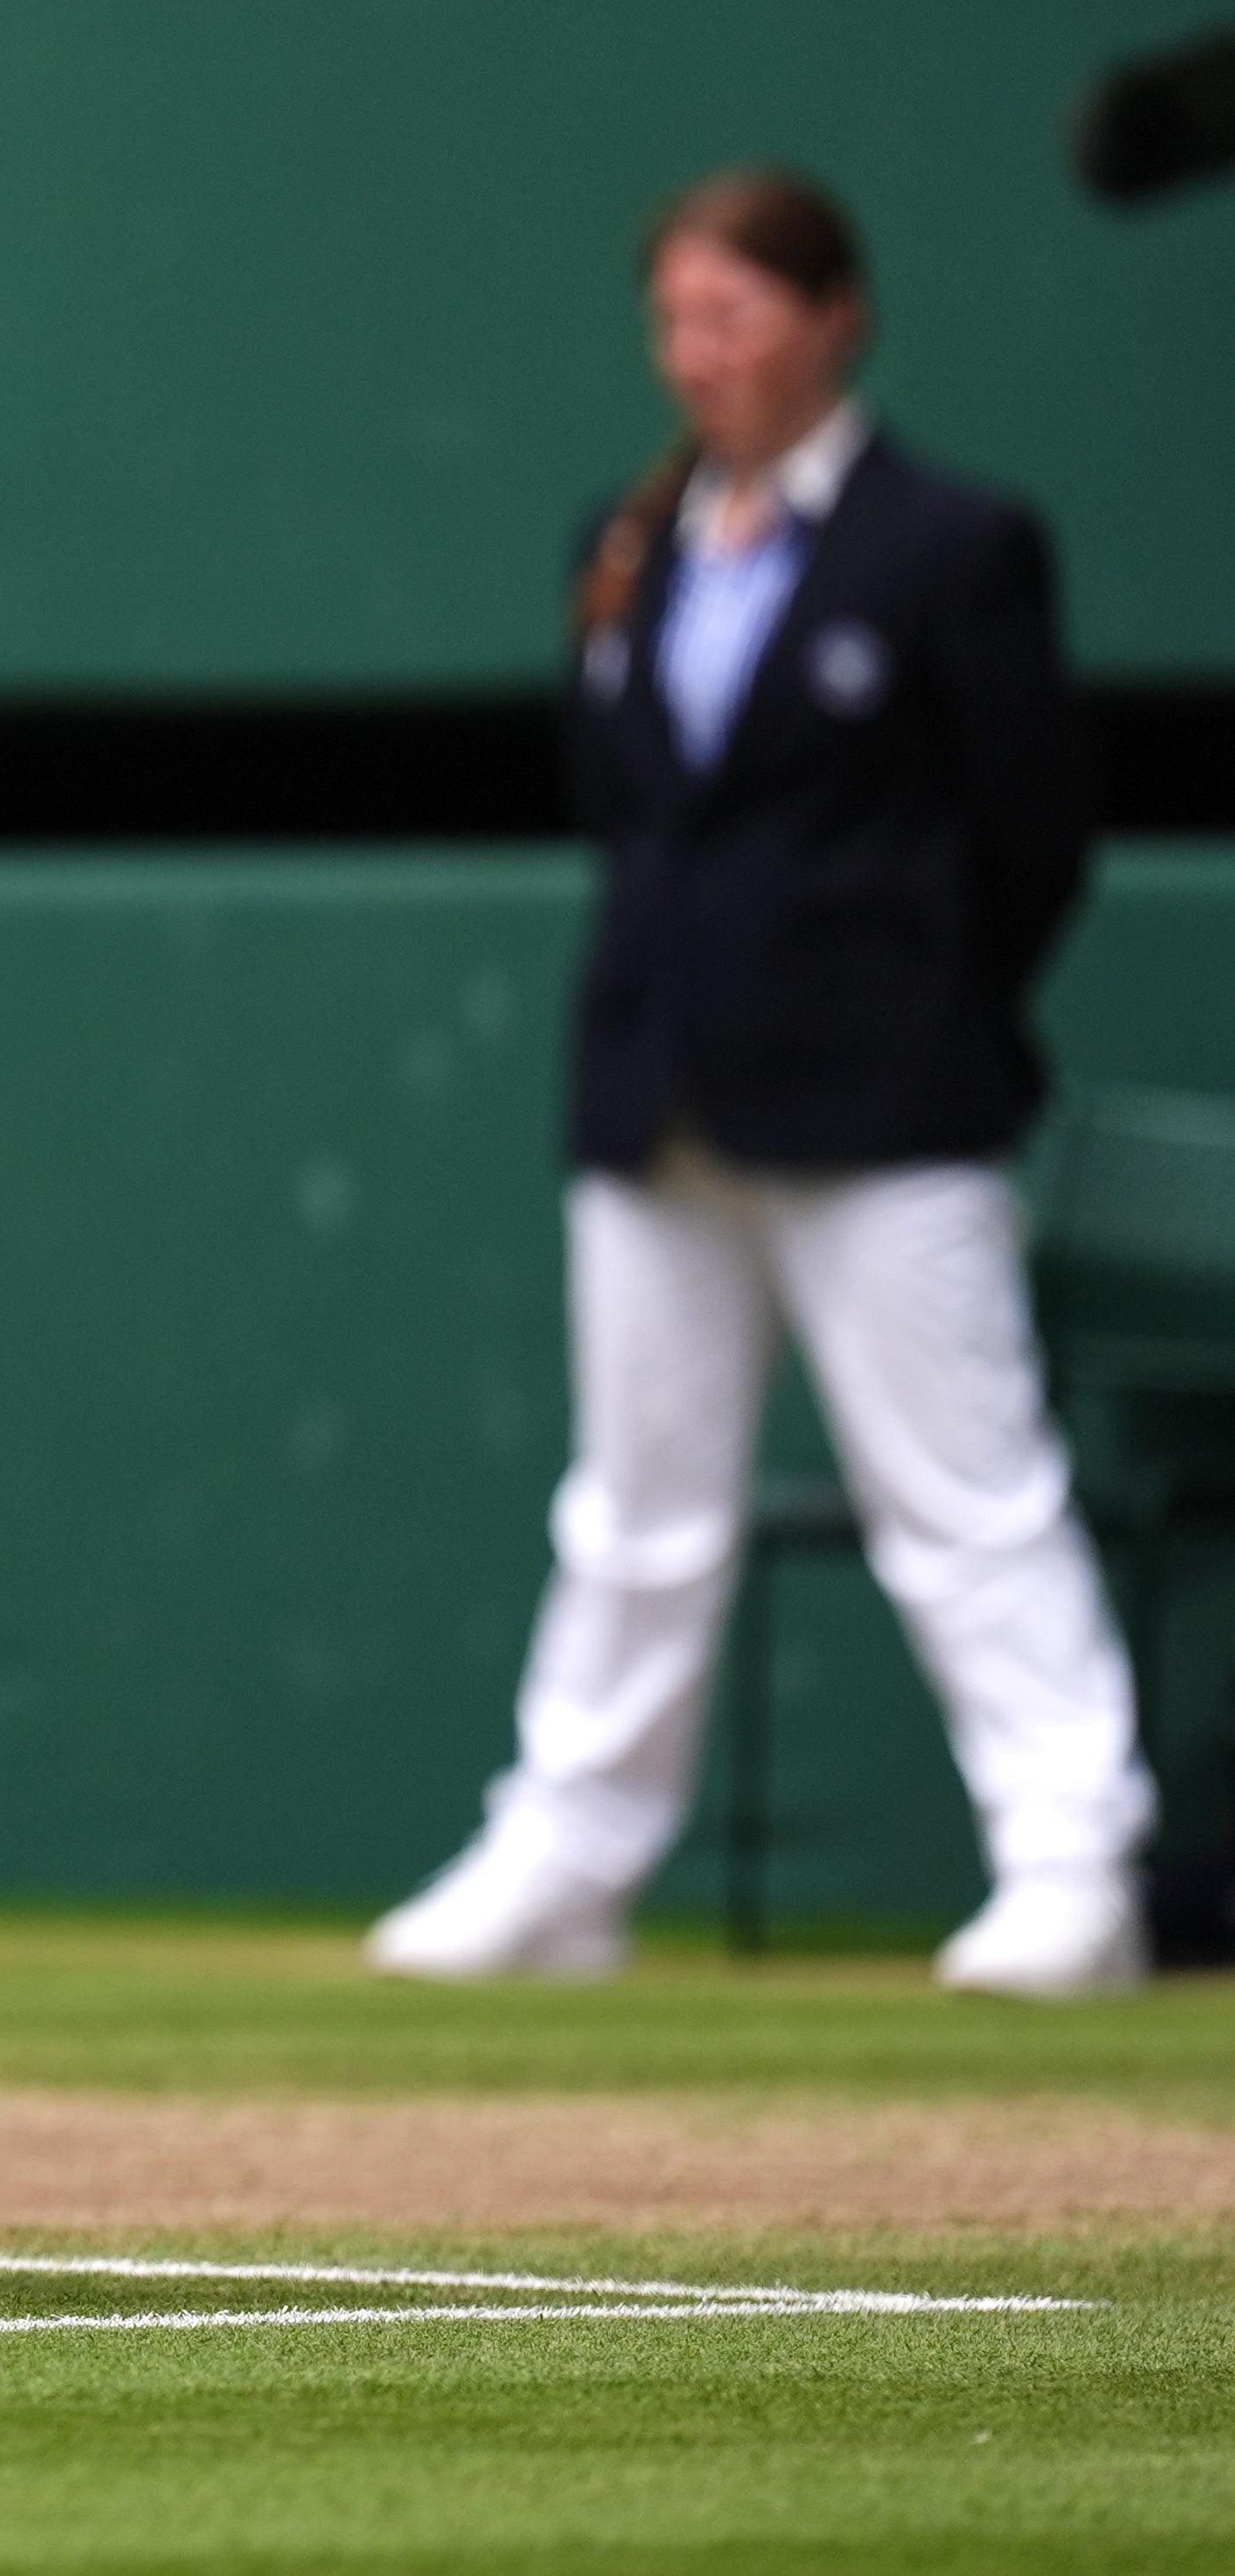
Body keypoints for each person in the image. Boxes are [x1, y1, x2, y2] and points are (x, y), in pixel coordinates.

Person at [369, 166, 1152, 1999]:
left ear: (829, 316)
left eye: (733, 313)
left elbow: (1032, 831)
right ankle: (563, 1853)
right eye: (674, 319)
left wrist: (899, 1005)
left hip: (887, 1108)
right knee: (634, 1504)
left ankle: (1070, 1863)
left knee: (965, 1494)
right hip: (656, 1096)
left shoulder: (953, 544)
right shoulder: (624, 540)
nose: (698, 353)